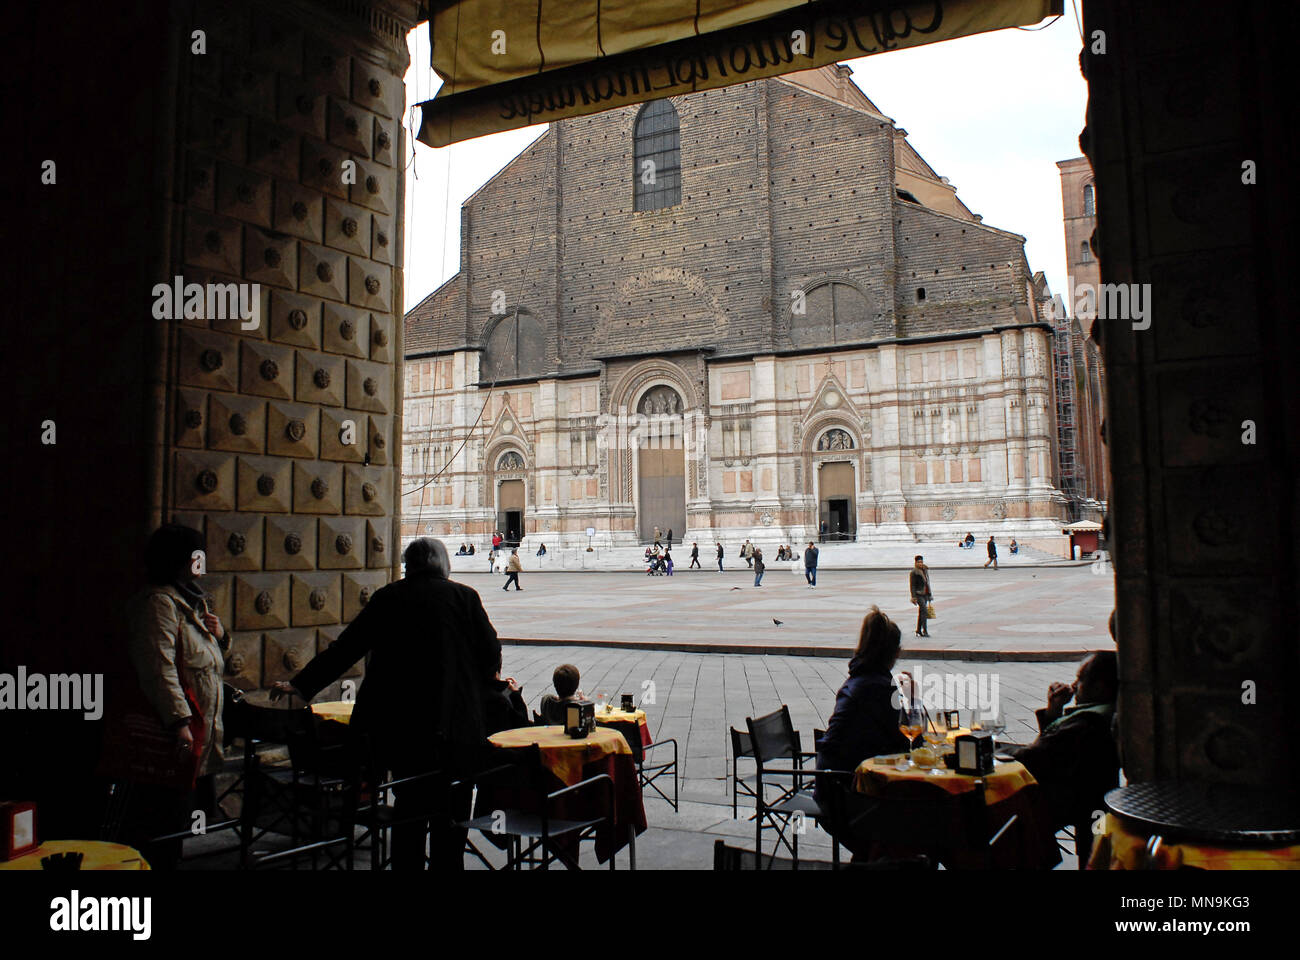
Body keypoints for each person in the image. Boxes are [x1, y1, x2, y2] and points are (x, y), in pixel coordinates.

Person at [270, 538, 499, 870]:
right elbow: (490, 654)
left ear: (409, 564)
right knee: (451, 815)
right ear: (442, 564)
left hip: (402, 732)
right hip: (454, 728)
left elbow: (346, 648)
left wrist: (300, 685)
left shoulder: (389, 597)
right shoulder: (464, 597)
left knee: (408, 810)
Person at [116, 523, 230, 870]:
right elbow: (159, 668)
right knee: (161, 826)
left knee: (178, 825)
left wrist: (221, 636)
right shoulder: (159, 605)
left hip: (198, 736)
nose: (201, 565)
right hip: (173, 736)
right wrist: (178, 721)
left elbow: (207, 661)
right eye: (196, 557)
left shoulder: (189, 602)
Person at [813, 606, 911, 855]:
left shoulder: (859, 679)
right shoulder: (878, 686)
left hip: (831, 785)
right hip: (849, 798)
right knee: (924, 818)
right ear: (894, 653)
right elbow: (906, 741)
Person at [1004, 651, 1120, 835]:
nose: (1074, 686)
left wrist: (994, 750)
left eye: (1080, 680)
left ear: (1099, 688)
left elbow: (1034, 756)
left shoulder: (1088, 722)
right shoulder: (1104, 713)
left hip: (1068, 799)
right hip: (1091, 796)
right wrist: (1054, 710)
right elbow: (1053, 747)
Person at [481, 647, 528, 736]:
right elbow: (522, 725)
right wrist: (516, 695)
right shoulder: (499, 700)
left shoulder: (471, 692)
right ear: (497, 671)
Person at [909, 555, 932, 638]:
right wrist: (913, 597)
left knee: (922, 612)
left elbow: (927, 583)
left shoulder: (925, 570)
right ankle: (925, 631)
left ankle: (918, 630)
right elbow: (912, 586)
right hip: (918, 594)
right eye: (918, 562)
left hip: (925, 594)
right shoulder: (914, 572)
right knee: (924, 611)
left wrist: (929, 594)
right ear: (915, 563)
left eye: (921, 562)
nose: (920, 563)